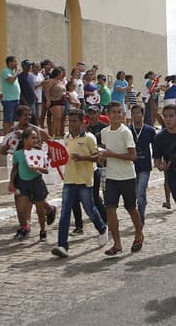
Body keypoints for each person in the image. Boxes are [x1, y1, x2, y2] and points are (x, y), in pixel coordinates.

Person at [51, 110, 107, 257]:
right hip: (69, 180)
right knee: (65, 213)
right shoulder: (66, 138)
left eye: (75, 121)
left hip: (85, 180)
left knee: (89, 209)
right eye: (70, 121)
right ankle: (62, 245)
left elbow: (98, 157)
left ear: (82, 122)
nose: (72, 124)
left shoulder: (89, 138)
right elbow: (64, 157)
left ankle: (101, 228)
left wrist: (83, 158)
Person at [99, 102, 144, 256]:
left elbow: (133, 156)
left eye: (120, 112)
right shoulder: (104, 132)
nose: (117, 115)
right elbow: (104, 152)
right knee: (110, 210)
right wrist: (101, 158)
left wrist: (112, 155)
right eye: (114, 112)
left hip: (127, 177)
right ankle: (117, 244)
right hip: (111, 177)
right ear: (108, 114)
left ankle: (139, 234)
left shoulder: (126, 132)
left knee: (131, 208)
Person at [10, 127, 52, 242]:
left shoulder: (39, 153)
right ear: (25, 139)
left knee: (40, 210)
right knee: (21, 209)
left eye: (36, 138)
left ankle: (43, 230)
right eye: (32, 138)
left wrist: (37, 168)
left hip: (36, 182)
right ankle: (24, 227)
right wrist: (11, 182)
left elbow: (46, 169)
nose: (35, 140)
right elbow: (14, 169)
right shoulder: (18, 154)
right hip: (23, 183)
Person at [127, 103, 156, 224]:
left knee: (141, 191)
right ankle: (141, 206)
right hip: (131, 166)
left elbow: (155, 147)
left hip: (145, 165)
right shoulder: (127, 130)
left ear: (143, 115)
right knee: (134, 194)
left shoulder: (150, 130)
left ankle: (141, 218)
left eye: (138, 113)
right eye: (133, 113)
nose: (136, 116)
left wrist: (157, 159)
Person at [0, 55, 21, 135]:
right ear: (10, 62)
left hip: (16, 99)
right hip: (9, 100)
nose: (16, 63)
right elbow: (11, 80)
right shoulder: (5, 71)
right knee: (7, 120)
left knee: (13, 120)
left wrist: (15, 72)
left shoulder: (13, 72)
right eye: (15, 61)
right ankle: (6, 137)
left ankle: (11, 136)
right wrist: (17, 72)